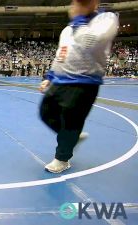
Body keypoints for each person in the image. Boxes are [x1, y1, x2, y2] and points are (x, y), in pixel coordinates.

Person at [39, 0, 119, 173]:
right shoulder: (67, 29)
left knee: (70, 120)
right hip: (60, 80)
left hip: (84, 81)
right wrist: (50, 77)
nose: (74, 5)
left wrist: (79, 19)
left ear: (94, 3)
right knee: (45, 113)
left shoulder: (106, 19)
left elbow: (90, 42)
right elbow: (61, 54)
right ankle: (72, 136)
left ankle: (62, 158)